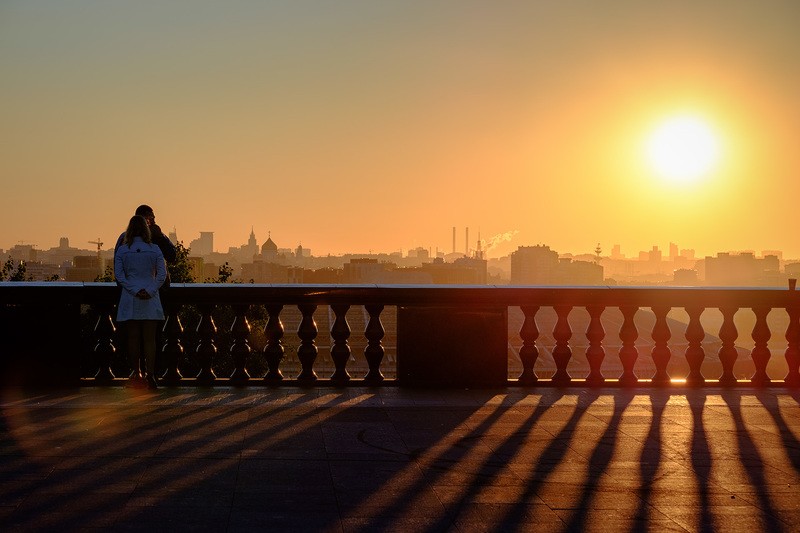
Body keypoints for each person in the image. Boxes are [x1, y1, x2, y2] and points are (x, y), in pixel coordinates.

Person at [115, 215, 167, 389]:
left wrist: (135, 290)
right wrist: (150, 290)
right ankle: (151, 375)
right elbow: (161, 275)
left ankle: (136, 373)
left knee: (134, 338)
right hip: (150, 298)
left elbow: (120, 276)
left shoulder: (123, 251)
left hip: (131, 298)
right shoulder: (155, 250)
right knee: (150, 340)